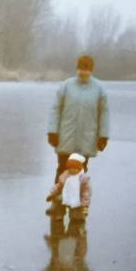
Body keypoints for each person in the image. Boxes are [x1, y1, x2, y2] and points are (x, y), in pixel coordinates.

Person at [47, 55, 110, 183]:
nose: (83, 72)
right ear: (77, 69)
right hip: (65, 137)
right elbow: (55, 109)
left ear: (91, 70)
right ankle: (57, 199)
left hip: (86, 139)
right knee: (62, 169)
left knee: (80, 171)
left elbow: (104, 113)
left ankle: (77, 201)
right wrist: (52, 131)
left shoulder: (99, 89)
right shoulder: (66, 85)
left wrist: (103, 136)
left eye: (86, 69)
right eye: (81, 69)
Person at [46, 152, 91, 221]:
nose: (72, 170)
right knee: (58, 199)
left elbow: (86, 192)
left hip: (77, 197)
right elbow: (58, 185)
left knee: (76, 214)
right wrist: (52, 194)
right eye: (70, 168)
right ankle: (59, 214)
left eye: (74, 168)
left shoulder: (83, 179)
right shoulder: (65, 176)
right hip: (66, 196)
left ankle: (77, 215)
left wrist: (85, 205)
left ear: (79, 168)